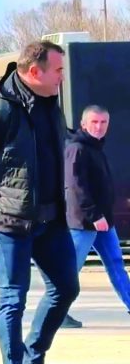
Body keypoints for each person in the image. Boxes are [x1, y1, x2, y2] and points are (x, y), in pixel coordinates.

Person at [0, 40, 79, 364]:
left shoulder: (51, 104)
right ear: (35, 72)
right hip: (7, 221)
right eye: (58, 70)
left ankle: (33, 355)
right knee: (13, 299)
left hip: (50, 219)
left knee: (66, 288)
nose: (63, 77)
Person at [62, 104, 130, 327]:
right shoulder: (77, 148)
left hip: (103, 222)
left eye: (103, 122)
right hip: (83, 223)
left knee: (116, 264)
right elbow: (75, 187)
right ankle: (57, 314)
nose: (99, 127)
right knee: (70, 269)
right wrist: (94, 215)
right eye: (94, 122)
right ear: (83, 124)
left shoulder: (95, 147)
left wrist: (103, 216)